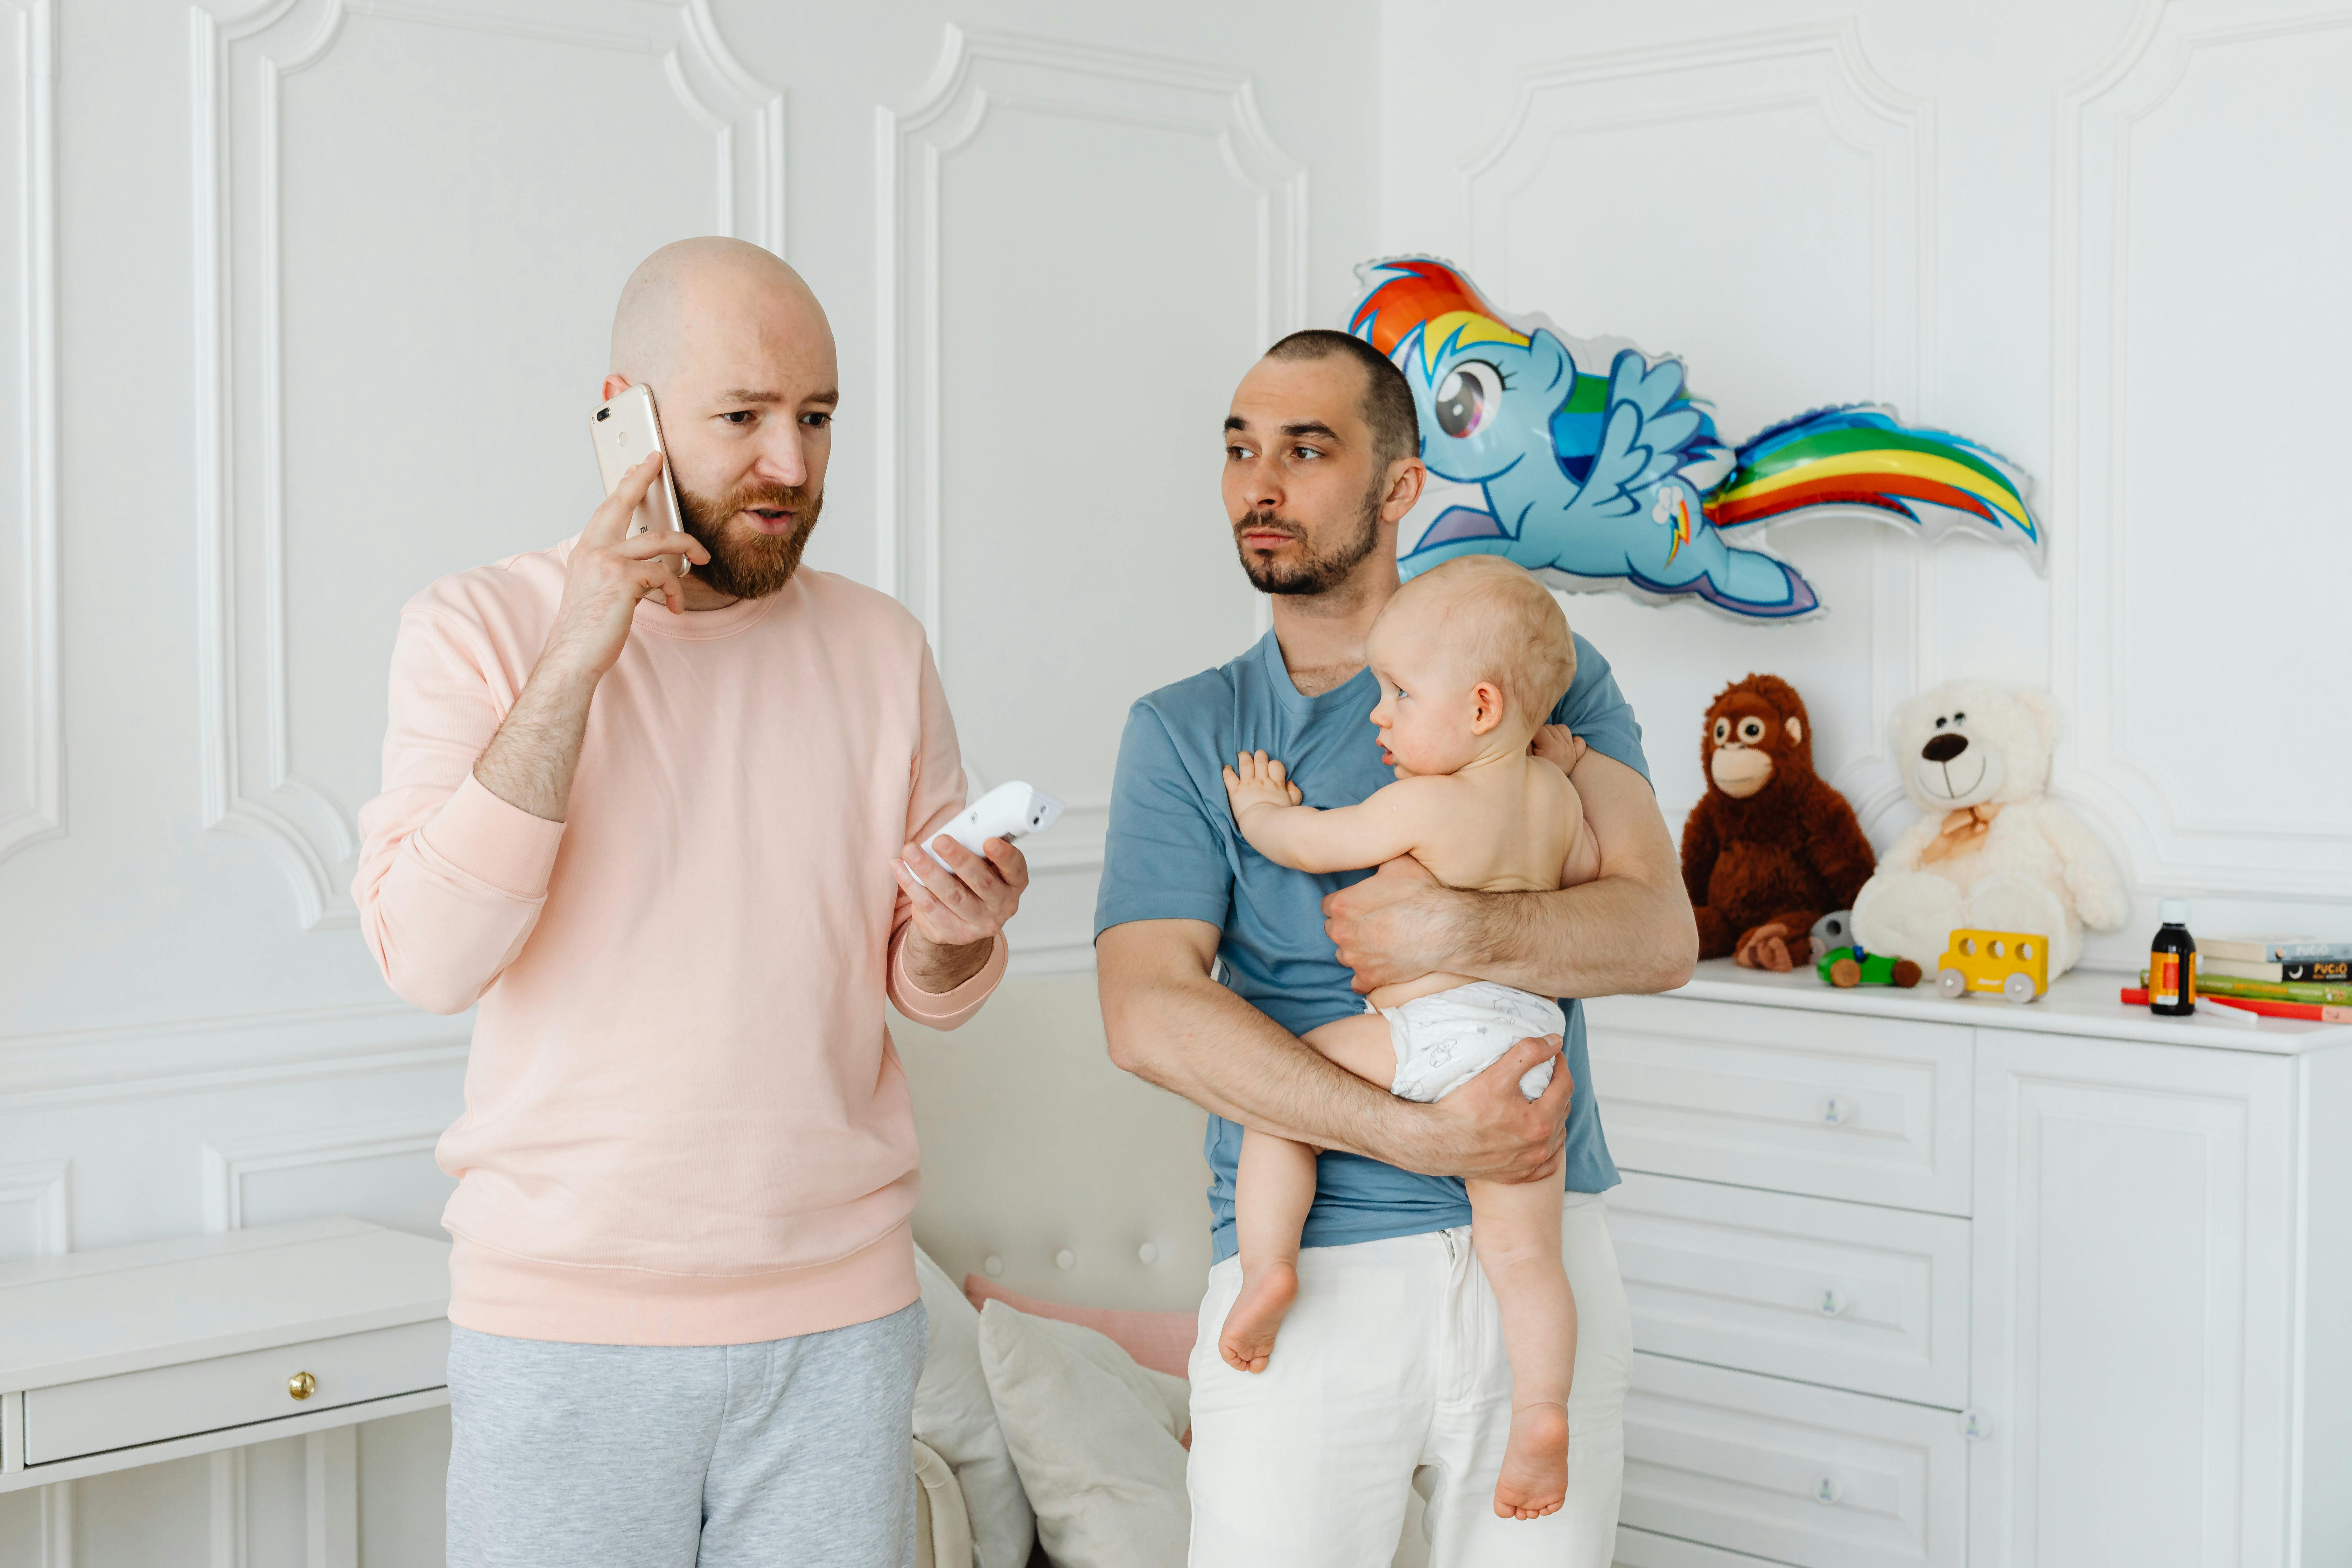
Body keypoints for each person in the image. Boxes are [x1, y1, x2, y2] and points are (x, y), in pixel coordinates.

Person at [354, 237, 1027, 1568]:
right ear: (627, 418)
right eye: (743, 418)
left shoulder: (882, 648)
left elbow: (924, 986)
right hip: (564, 1328)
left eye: (818, 418)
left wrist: (956, 936)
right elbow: (429, 959)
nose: (791, 464)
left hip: (839, 1327)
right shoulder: (476, 629)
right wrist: (579, 656)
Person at [1094, 328, 1698, 1566]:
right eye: (1239, 450)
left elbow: (1658, 937)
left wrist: (1458, 928)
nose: (1260, 484)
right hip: (1312, 1278)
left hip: (1542, 1246)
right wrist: (1424, 1136)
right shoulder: (1187, 728)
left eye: (1306, 450)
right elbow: (1147, 1012)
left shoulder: (1540, 676)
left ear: (1401, 486)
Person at [1216, 554, 1599, 1522]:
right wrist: (1560, 768)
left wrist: (1264, 809)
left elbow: (1311, 846)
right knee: (1526, 1260)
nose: (1377, 713)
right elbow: (1592, 869)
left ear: (1478, 709)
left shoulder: (1426, 800)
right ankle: (1544, 1413)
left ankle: (1269, 1267)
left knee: (1282, 1094)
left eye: (1395, 693)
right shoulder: (1555, 802)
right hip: (1530, 1051)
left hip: (1429, 1034)